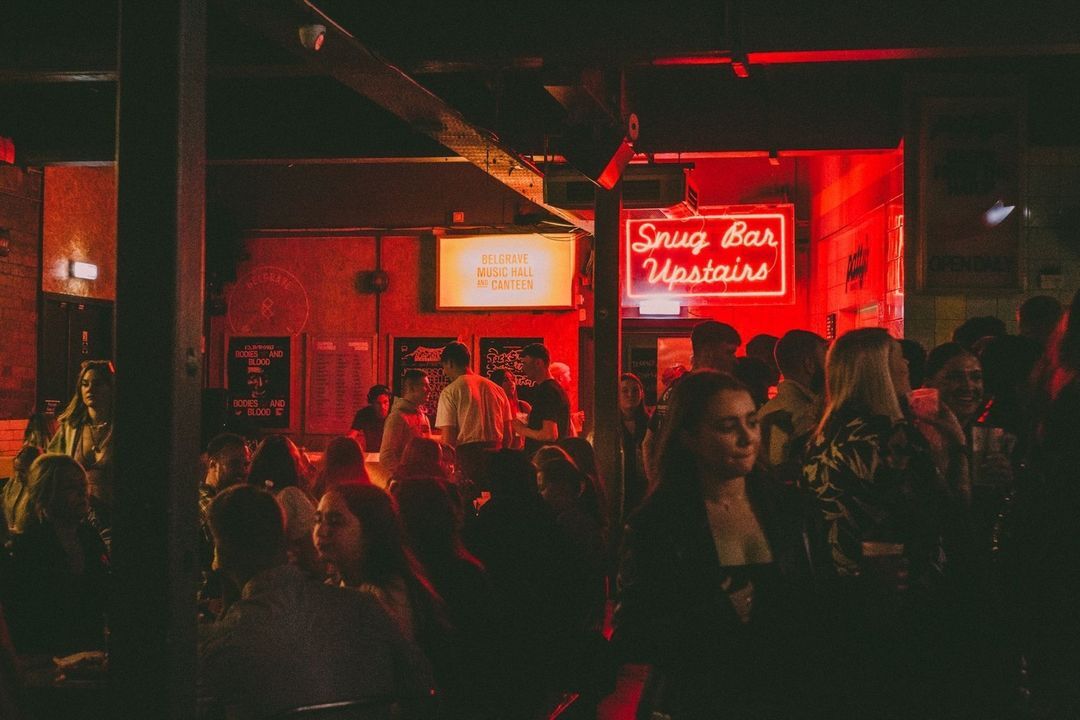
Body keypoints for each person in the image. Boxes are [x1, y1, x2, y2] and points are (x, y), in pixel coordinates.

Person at [614, 371, 822, 718]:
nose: (747, 438)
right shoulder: (659, 522)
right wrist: (715, 614)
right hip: (696, 700)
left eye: (751, 422)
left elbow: (817, 603)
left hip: (781, 696)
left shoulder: (789, 508)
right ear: (688, 437)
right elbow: (633, 634)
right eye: (727, 426)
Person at [802, 328, 983, 716]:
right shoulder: (893, 436)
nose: (906, 365)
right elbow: (949, 511)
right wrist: (956, 444)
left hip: (842, 587)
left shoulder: (823, 435)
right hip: (904, 588)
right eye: (898, 358)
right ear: (881, 370)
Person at [199, 484, 433, 718]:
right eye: (317, 520)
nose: (322, 531)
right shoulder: (361, 604)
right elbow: (421, 688)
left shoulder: (229, 640)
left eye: (335, 522)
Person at [2, 454, 110, 655]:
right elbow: (25, 616)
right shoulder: (28, 546)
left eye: (83, 485)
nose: (82, 493)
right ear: (46, 494)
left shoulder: (89, 537)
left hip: (92, 652)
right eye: (70, 487)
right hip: (48, 657)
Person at [642, 320, 741, 484]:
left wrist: (656, 484)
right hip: (697, 487)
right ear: (709, 353)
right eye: (729, 352)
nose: (735, 360)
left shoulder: (673, 388)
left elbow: (648, 442)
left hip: (674, 487)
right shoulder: (704, 391)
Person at [435, 342, 515, 487]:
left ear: (450, 363)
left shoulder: (450, 392)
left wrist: (450, 469)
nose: (444, 372)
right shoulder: (497, 389)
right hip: (496, 459)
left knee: (468, 498)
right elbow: (508, 435)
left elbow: (448, 439)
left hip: (467, 461)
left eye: (444, 367)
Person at [48, 360, 115, 524]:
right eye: (85, 384)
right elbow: (51, 465)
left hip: (114, 515)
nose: (90, 389)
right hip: (78, 516)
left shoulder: (122, 428)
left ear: (111, 388)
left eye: (97, 384)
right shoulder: (71, 428)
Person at [757, 330, 827, 482]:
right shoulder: (804, 415)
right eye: (826, 358)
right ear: (809, 365)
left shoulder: (770, 408)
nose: (832, 367)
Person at [247, 434, 318, 576]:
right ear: (292, 463)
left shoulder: (260, 497)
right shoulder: (290, 495)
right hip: (307, 573)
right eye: (298, 460)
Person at [513, 343, 572, 457]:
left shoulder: (547, 391)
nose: (523, 368)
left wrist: (521, 429)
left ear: (538, 363)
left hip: (546, 460)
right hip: (553, 458)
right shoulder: (553, 388)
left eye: (525, 363)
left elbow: (550, 435)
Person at [379, 370, 432, 478]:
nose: (429, 390)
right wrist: (406, 477)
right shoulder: (397, 417)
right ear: (411, 388)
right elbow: (386, 456)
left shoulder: (423, 417)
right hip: (407, 483)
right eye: (425, 386)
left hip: (423, 479)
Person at [2, 445, 41, 533]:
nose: (18, 475)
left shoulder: (39, 490)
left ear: (35, 468)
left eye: (22, 471)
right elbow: (3, 500)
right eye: (16, 470)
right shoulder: (14, 482)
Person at [350, 384, 393, 453]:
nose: (382, 407)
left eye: (385, 402)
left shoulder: (396, 414)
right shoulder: (363, 414)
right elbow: (350, 437)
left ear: (389, 401)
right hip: (372, 454)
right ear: (372, 403)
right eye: (378, 403)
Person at [549, 361, 583, 437]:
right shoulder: (554, 395)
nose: (570, 379)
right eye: (568, 375)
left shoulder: (558, 394)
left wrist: (574, 418)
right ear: (560, 378)